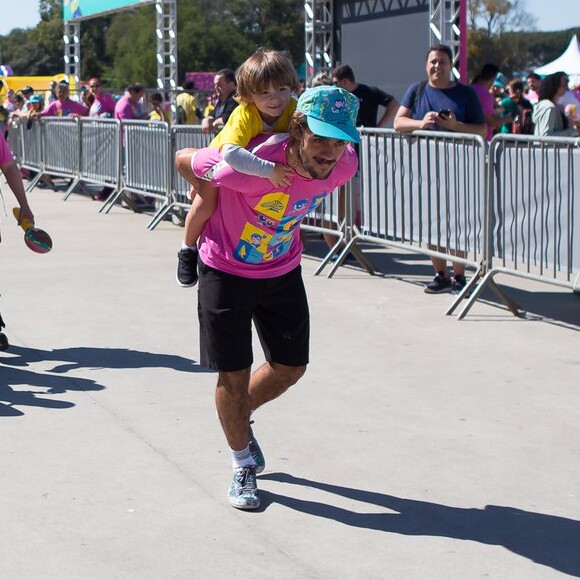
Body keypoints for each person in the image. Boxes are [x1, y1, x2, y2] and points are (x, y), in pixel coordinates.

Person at [174, 85, 360, 510]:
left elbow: (335, 160)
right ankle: (242, 462)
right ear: (297, 132)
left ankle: (237, 415)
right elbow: (185, 159)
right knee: (233, 377)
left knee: (291, 367)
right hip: (225, 271)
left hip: (282, 271)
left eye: (340, 140)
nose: (331, 153)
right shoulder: (249, 164)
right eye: (322, 139)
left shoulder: (344, 166)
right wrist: (203, 189)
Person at [176, 49, 300, 287]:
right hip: (220, 165)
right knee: (205, 205)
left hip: (250, 173)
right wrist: (270, 170)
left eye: (282, 89)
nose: (275, 98)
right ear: (249, 94)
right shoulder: (245, 113)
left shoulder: (293, 108)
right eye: (264, 92)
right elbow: (232, 153)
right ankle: (188, 249)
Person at [394, 43, 485, 295]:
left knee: (456, 224)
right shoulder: (417, 89)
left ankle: (459, 277)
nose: (437, 66)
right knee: (431, 222)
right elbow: (398, 122)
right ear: (426, 65)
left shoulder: (466, 94)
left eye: (442, 62)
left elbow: (481, 130)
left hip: (459, 171)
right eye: (433, 62)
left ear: (451, 65)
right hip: (426, 171)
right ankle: (440, 274)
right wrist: (421, 123)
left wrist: (455, 127)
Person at [331, 64, 398, 128]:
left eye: (336, 83)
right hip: (346, 137)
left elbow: (393, 104)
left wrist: (379, 126)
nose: (335, 86)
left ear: (345, 81)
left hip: (366, 136)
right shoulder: (338, 95)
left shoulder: (369, 91)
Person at [533, 72, 580, 137]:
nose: (566, 87)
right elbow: (546, 137)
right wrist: (574, 132)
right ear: (554, 86)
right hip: (548, 147)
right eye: (564, 84)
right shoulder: (549, 108)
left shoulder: (555, 106)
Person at [470, 63, 506, 141]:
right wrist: (506, 119)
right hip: (483, 141)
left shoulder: (469, 89)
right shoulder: (486, 95)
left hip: (470, 138)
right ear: (493, 78)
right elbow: (491, 121)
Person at [200, 69, 238, 135]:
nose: (216, 88)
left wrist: (215, 122)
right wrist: (206, 120)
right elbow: (213, 114)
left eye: (219, 85)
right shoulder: (222, 99)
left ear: (231, 85)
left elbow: (227, 118)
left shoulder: (235, 98)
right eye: (215, 85)